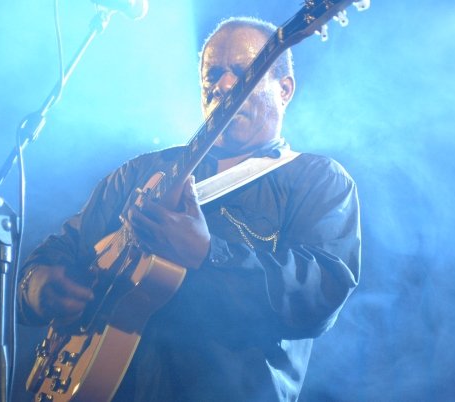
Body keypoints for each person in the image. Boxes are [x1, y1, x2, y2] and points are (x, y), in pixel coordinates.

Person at [18, 16, 361, 402]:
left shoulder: (318, 180)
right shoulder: (142, 171)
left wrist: (207, 254)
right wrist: (39, 288)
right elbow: (59, 250)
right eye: (212, 75)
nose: (224, 85)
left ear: (284, 89)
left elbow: (321, 294)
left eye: (243, 72)